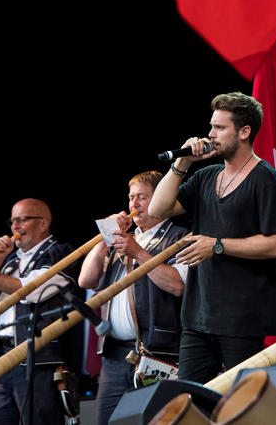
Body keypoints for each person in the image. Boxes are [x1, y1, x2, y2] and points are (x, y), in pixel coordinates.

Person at [148, 92, 276, 384]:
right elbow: (157, 209)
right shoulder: (206, 176)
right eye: (211, 126)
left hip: (243, 319)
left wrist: (217, 245)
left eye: (220, 128)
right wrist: (182, 164)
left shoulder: (266, 180)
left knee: (241, 404)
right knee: (189, 400)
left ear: (244, 132)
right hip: (198, 316)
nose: (210, 135)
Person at [78, 170, 189, 425]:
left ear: (162, 197)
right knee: (108, 420)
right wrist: (105, 238)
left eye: (142, 197)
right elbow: (86, 280)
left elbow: (177, 286)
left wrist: (137, 251)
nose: (133, 205)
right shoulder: (121, 240)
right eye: (131, 198)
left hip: (158, 353)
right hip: (115, 355)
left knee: (156, 420)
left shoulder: (178, 237)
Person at [0, 198, 78, 425]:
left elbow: (29, 291)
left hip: (37, 358)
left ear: (43, 224)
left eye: (22, 219)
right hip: (1, 357)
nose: (14, 227)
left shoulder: (59, 252)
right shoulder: (10, 260)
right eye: (12, 221)